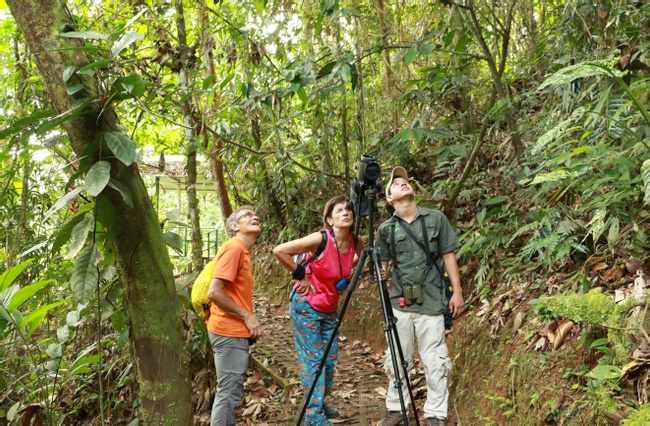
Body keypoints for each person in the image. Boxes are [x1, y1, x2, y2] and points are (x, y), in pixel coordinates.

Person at [376, 167, 465, 426]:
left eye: (405, 181)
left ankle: (435, 413)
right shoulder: (385, 229)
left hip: (432, 300)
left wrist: (456, 292)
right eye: (396, 184)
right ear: (389, 199)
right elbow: (381, 264)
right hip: (399, 303)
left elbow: (449, 255)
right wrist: (377, 268)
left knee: (435, 359)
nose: (403, 184)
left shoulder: (436, 219)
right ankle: (396, 408)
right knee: (396, 358)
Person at [273, 195, 364, 426]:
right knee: (313, 362)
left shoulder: (355, 240)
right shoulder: (320, 239)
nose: (345, 213)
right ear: (329, 220)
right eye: (339, 210)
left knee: (330, 360)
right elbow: (279, 250)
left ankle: (318, 402)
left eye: (348, 210)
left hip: (329, 308)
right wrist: (300, 273)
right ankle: (313, 416)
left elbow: (357, 258)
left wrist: (344, 275)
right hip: (306, 306)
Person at [206, 206, 264, 426]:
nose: (254, 216)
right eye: (247, 216)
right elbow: (214, 292)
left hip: (231, 331)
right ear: (234, 226)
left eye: (255, 214)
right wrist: (248, 318)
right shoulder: (235, 247)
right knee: (228, 394)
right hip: (227, 331)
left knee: (230, 392)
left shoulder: (242, 250)